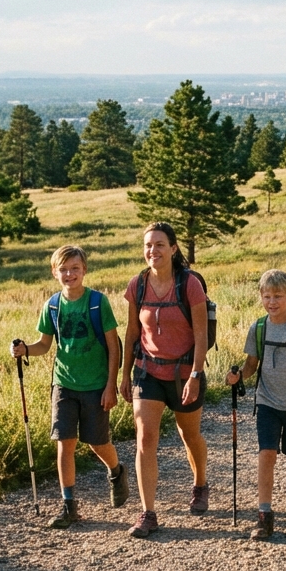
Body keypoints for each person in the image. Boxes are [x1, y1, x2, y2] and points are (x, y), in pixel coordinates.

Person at [10, 245, 130, 529]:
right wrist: (25, 349)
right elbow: (44, 344)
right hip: (63, 383)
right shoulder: (52, 305)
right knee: (65, 443)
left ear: (84, 270)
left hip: (95, 384)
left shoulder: (98, 302)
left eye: (75, 268)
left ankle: (116, 470)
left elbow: (114, 347)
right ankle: (69, 505)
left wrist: (110, 385)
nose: (69, 274)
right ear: (54, 272)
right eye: (63, 269)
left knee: (97, 442)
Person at [119, 222, 211, 538]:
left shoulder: (190, 285)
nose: (153, 251)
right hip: (148, 372)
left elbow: (201, 335)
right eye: (148, 245)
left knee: (190, 435)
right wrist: (123, 374)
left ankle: (200, 483)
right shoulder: (137, 285)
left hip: (185, 373)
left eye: (159, 245)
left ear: (173, 249)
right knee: (145, 438)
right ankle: (148, 513)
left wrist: (196, 375)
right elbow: (132, 333)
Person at [226, 269, 286, 541]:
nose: (272, 302)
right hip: (266, 402)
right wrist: (237, 376)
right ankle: (264, 514)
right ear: (260, 297)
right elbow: (251, 366)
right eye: (267, 296)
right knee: (266, 452)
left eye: (278, 296)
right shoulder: (258, 328)